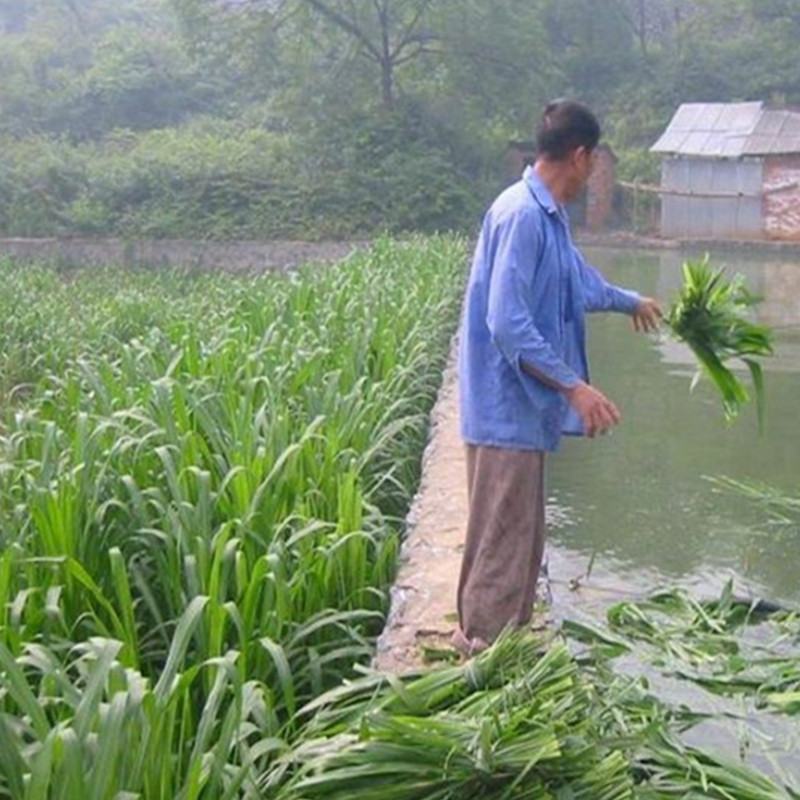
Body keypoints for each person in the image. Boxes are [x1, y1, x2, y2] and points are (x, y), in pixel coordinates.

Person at [454, 99, 662, 655]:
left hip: (523, 413)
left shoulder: (545, 216)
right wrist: (574, 386)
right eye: (592, 164)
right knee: (502, 542)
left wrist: (629, 301)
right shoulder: (521, 215)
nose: (590, 175)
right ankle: (482, 660)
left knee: (519, 539)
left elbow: (576, 282)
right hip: (506, 410)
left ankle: (505, 649)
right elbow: (507, 321)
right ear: (580, 155)